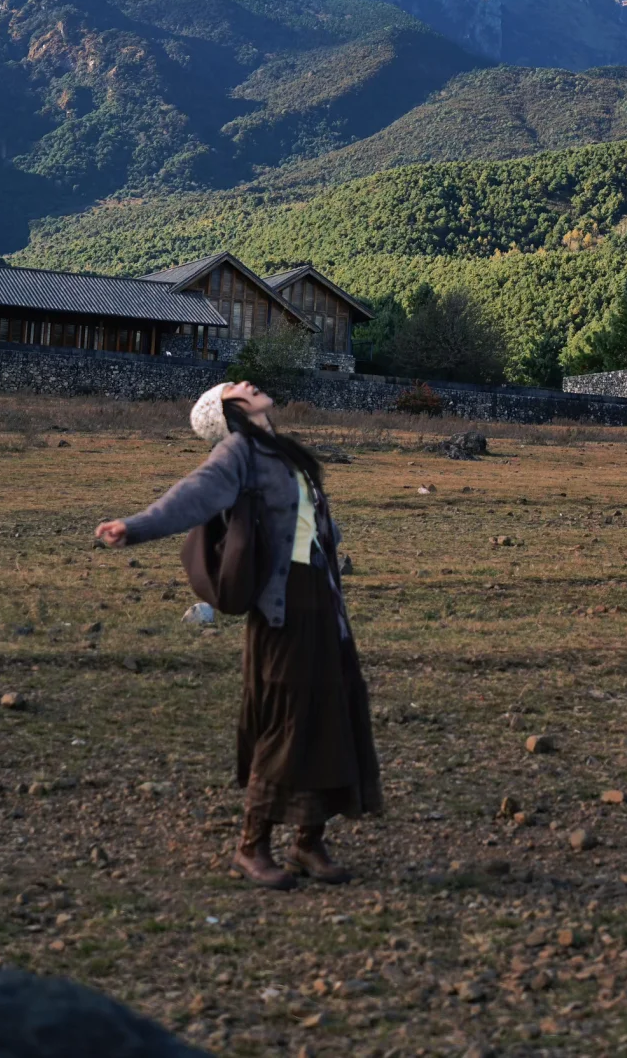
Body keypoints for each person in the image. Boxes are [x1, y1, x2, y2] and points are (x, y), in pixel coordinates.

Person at [94, 380, 382, 890]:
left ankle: (308, 842)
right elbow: (192, 496)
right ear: (228, 411)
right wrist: (134, 527)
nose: (246, 383)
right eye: (234, 386)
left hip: (321, 602)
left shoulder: (282, 450)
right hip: (282, 608)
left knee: (330, 715)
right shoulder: (238, 452)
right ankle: (251, 846)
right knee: (287, 722)